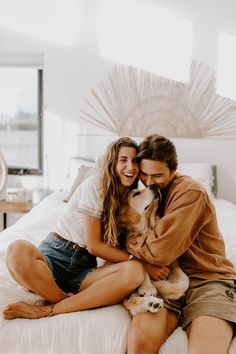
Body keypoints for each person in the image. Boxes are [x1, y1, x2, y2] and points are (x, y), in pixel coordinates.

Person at [3, 136, 153, 320]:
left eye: (135, 161)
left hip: (84, 270)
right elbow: (94, 245)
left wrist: (142, 264)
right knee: (16, 251)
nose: (131, 167)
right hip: (53, 257)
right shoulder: (95, 185)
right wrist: (141, 263)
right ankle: (59, 302)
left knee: (135, 272)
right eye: (123, 160)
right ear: (112, 163)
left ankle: (50, 308)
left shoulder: (131, 199)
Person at [126, 134, 236, 354]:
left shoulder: (190, 192)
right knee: (139, 346)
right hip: (166, 280)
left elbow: (159, 252)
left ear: (174, 169)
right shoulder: (144, 194)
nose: (149, 182)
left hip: (207, 280)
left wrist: (130, 242)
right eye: (145, 175)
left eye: (157, 175)